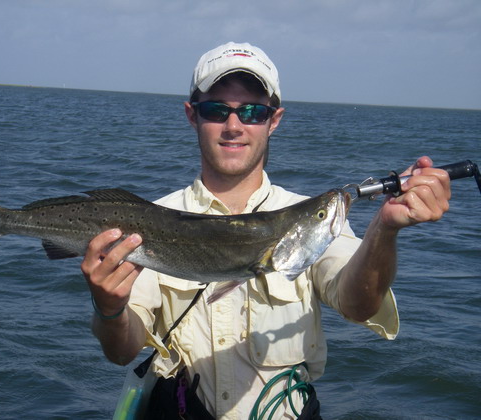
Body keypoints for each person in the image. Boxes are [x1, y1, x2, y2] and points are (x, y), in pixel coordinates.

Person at [81, 42, 451, 419]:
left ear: (274, 120)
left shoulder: (308, 219)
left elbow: (359, 305)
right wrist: (109, 309)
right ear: (192, 115)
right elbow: (121, 351)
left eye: (253, 112)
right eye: (216, 110)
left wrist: (384, 230)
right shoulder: (149, 219)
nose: (233, 126)